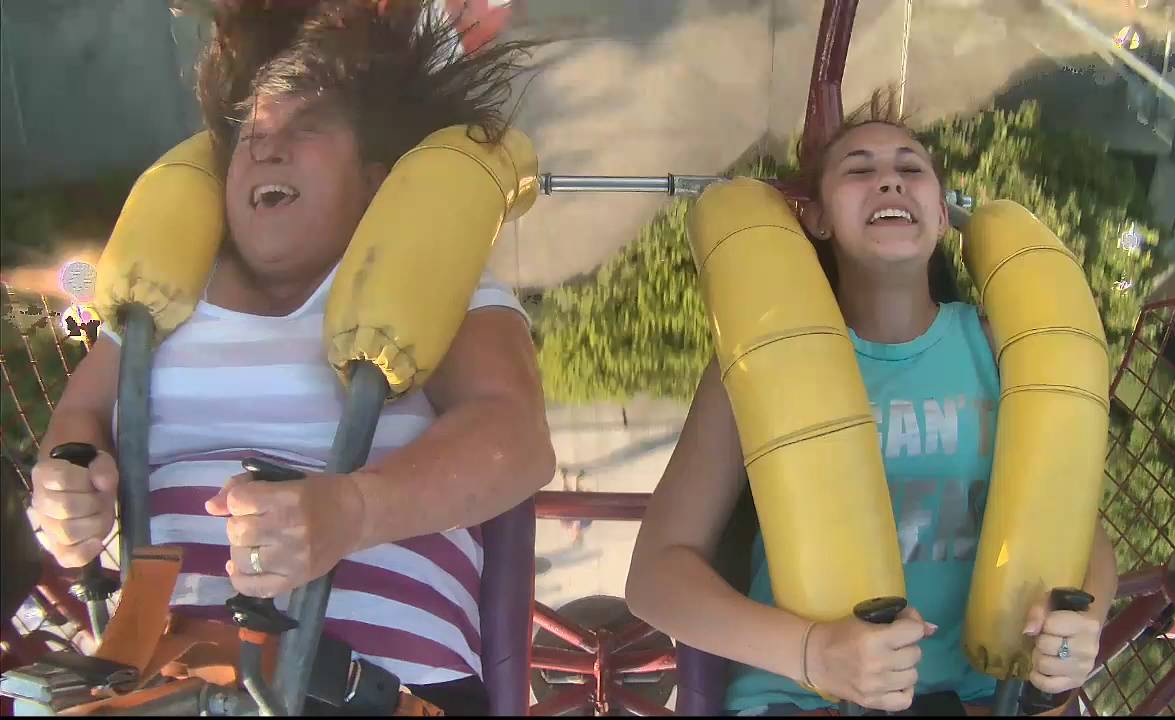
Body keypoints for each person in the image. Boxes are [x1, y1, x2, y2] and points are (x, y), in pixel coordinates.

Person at [26, 2, 554, 715]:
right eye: (252, 135)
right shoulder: (162, 300)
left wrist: (349, 511)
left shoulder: (441, 286)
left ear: (375, 180)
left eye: (306, 127)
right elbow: (80, 419)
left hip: (374, 688)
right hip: (154, 682)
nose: (267, 148)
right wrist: (67, 489)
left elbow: (516, 440)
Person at [625, 88, 1118, 716]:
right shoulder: (751, 365)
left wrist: (1084, 622)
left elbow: (1085, 535)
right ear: (819, 218)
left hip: (978, 699)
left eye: (911, 169)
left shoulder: (1004, 349)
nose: (890, 181)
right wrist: (814, 653)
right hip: (804, 700)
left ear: (941, 217)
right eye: (859, 169)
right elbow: (655, 579)